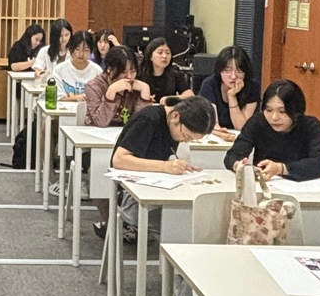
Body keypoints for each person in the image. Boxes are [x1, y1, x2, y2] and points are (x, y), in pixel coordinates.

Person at [109, 96, 217, 241]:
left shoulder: (174, 125)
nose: (185, 140)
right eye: (186, 136)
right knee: (184, 218)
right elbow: (118, 160)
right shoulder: (149, 120)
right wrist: (165, 166)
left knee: (198, 208)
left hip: (153, 183)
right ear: (175, 116)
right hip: (129, 190)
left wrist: (180, 167)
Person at [224, 79, 320, 181]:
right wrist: (238, 166)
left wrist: (280, 168)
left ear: (297, 110)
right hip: (265, 183)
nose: (274, 117)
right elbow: (232, 155)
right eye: (269, 110)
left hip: (301, 184)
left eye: (282, 111)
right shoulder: (257, 122)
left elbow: (319, 163)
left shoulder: (311, 126)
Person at [195, 45, 259, 136]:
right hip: (214, 136)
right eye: (227, 71)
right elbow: (212, 124)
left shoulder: (252, 86)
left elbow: (241, 127)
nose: (233, 76)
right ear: (219, 70)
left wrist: (232, 96)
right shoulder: (210, 85)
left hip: (242, 137)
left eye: (239, 71)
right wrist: (221, 133)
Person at [84, 45, 150, 128]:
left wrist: (145, 90)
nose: (129, 76)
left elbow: (140, 124)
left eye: (133, 71)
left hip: (124, 134)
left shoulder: (137, 86)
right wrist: (111, 91)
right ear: (109, 69)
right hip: (95, 134)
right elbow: (101, 122)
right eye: (123, 72)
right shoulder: (94, 86)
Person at [51, 30, 102, 101]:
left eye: (86, 50)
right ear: (71, 49)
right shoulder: (59, 70)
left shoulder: (97, 71)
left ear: (91, 52)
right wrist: (75, 98)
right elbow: (57, 98)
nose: (81, 54)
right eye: (78, 49)